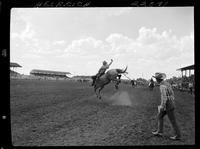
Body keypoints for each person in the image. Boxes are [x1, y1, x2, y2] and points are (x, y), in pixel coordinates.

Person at [152, 72, 181, 140]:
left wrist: (162, 106)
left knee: (173, 120)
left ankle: (178, 135)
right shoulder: (167, 83)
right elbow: (172, 93)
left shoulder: (162, 86)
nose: (156, 80)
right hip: (170, 102)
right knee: (160, 116)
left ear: (158, 79)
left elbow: (164, 97)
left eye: (156, 78)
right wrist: (171, 100)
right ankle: (160, 132)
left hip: (168, 104)